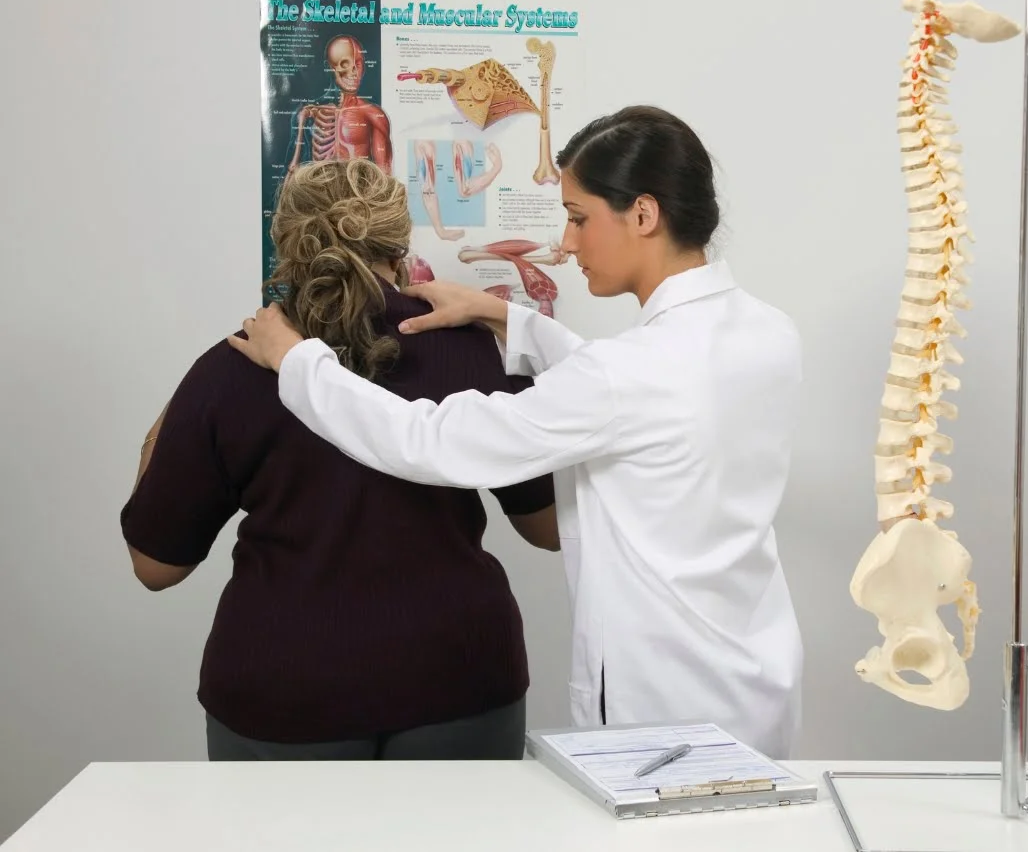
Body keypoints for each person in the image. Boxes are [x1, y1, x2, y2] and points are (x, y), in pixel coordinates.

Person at [230, 105, 806, 758]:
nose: (566, 242)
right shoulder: (768, 334)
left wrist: (299, 362)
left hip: (665, 712)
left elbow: (430, 440)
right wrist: (506, 317)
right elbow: (648, 394)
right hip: (757, 679)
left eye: (580, 217)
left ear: (643, 215)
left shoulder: (628, 376)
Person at [120, 157, 559, 761]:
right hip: (457, 675)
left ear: (288, 248)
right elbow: (548, 527)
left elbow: (155, 566)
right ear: (399, 245)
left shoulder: (233, 367)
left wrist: (185, 403)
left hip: (283, 686)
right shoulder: (470, 349)